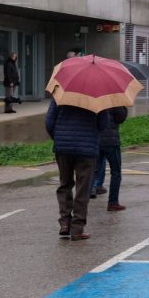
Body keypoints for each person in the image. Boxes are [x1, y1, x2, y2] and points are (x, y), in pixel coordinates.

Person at [46, 100, 109, 240]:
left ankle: (64, 223)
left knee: (65, 184)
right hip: (86, 148)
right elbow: (102, 124)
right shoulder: (98, 97)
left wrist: (58, 138)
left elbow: (49, 122)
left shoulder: (61, 94)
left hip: (63, 148)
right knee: (83, 188)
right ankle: (77, 228)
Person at [90, 106, 128, 211]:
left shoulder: (92, 99)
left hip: (96, 140)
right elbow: (120, 118)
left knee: (93, 170)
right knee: (116, 172)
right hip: (111, 141)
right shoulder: (114, 100)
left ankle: (87, 196)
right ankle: (113, 202)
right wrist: (123, 107)